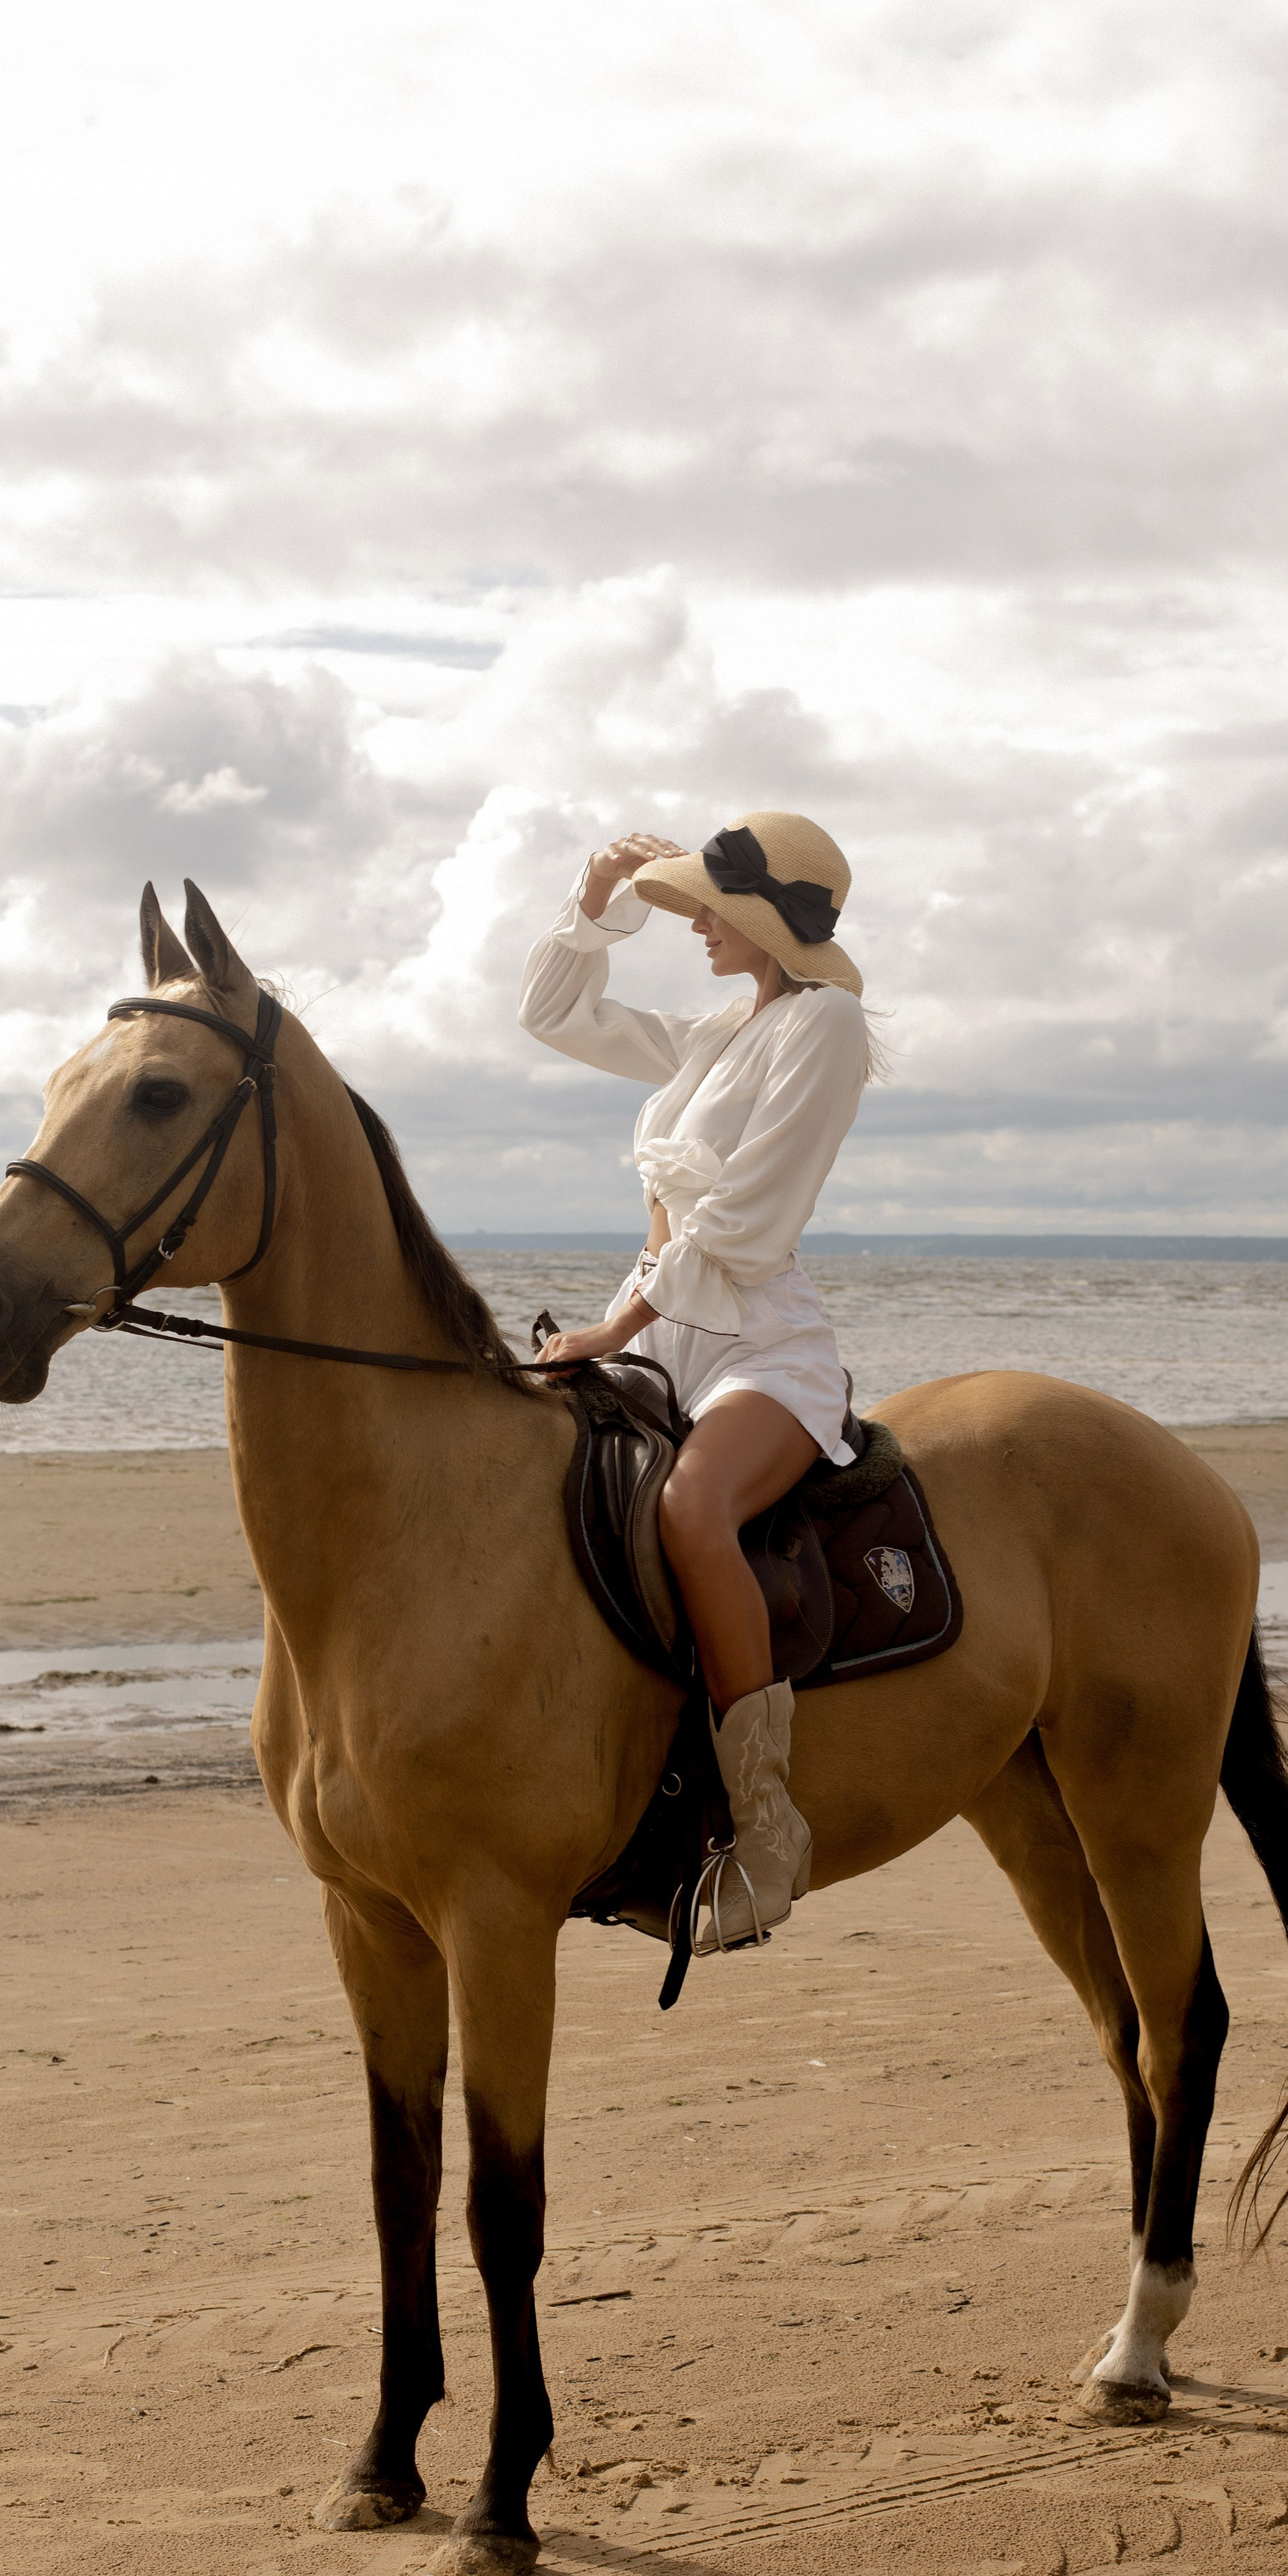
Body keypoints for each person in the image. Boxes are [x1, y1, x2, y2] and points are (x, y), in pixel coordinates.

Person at [518, 811, 871, 1955]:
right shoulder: (717, 1032)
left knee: (691, 1511)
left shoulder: (826, 1030)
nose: (697, 929)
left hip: (758, 1341)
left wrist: (610, 1323)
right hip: (660, 1327)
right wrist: (591, 903)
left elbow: (746, 1221)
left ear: (770, 919)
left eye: (712, 911)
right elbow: (556, 1013)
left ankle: (766, 1832)